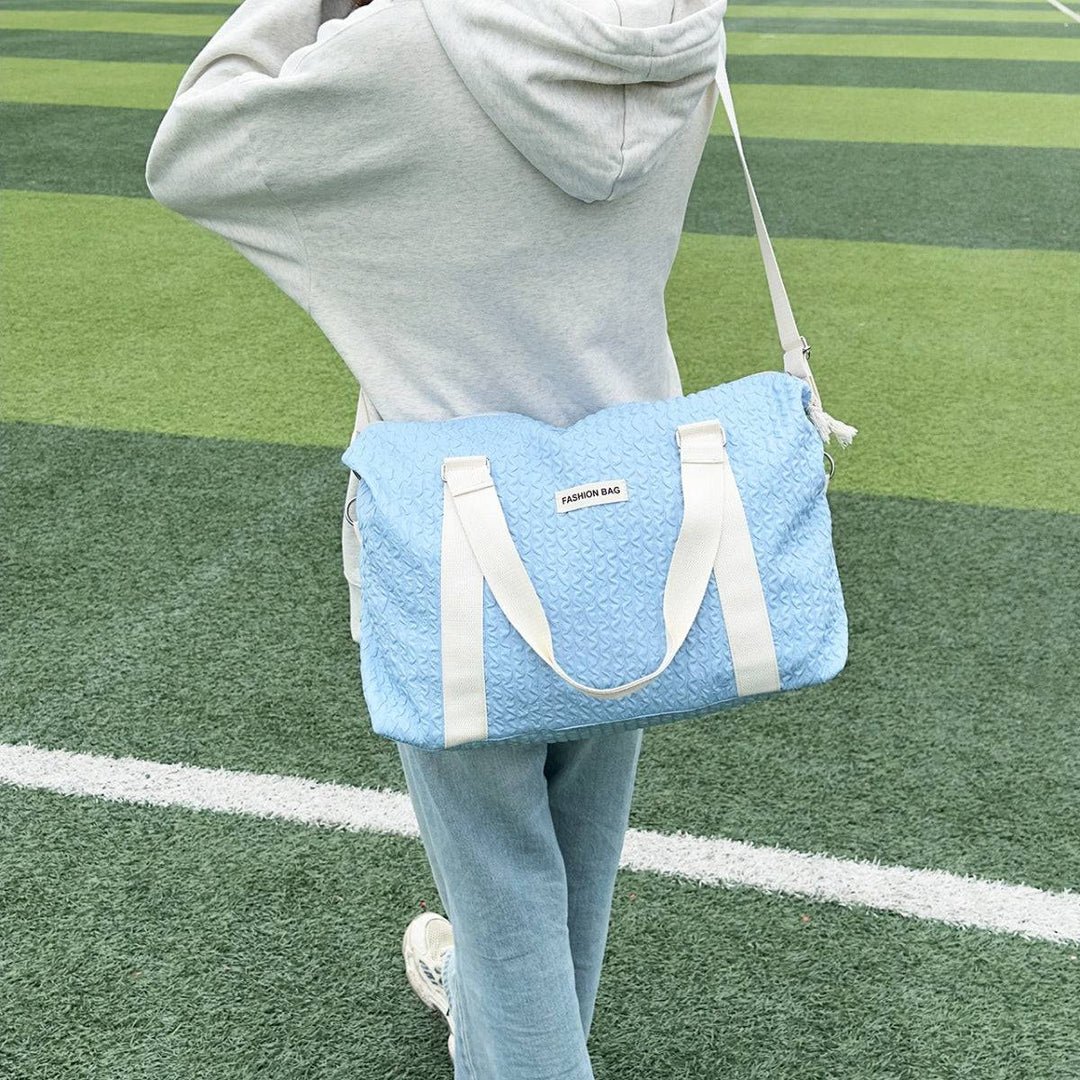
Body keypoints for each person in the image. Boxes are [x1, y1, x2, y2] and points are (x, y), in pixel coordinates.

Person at [145, 0, 728, 1075]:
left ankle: (516, 1043)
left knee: (502, 883)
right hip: (632, 510)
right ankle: (503, 1020)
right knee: (573, 855)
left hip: (452, 530)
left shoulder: (397, 47)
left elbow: (191, 148)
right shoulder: (684, 25)